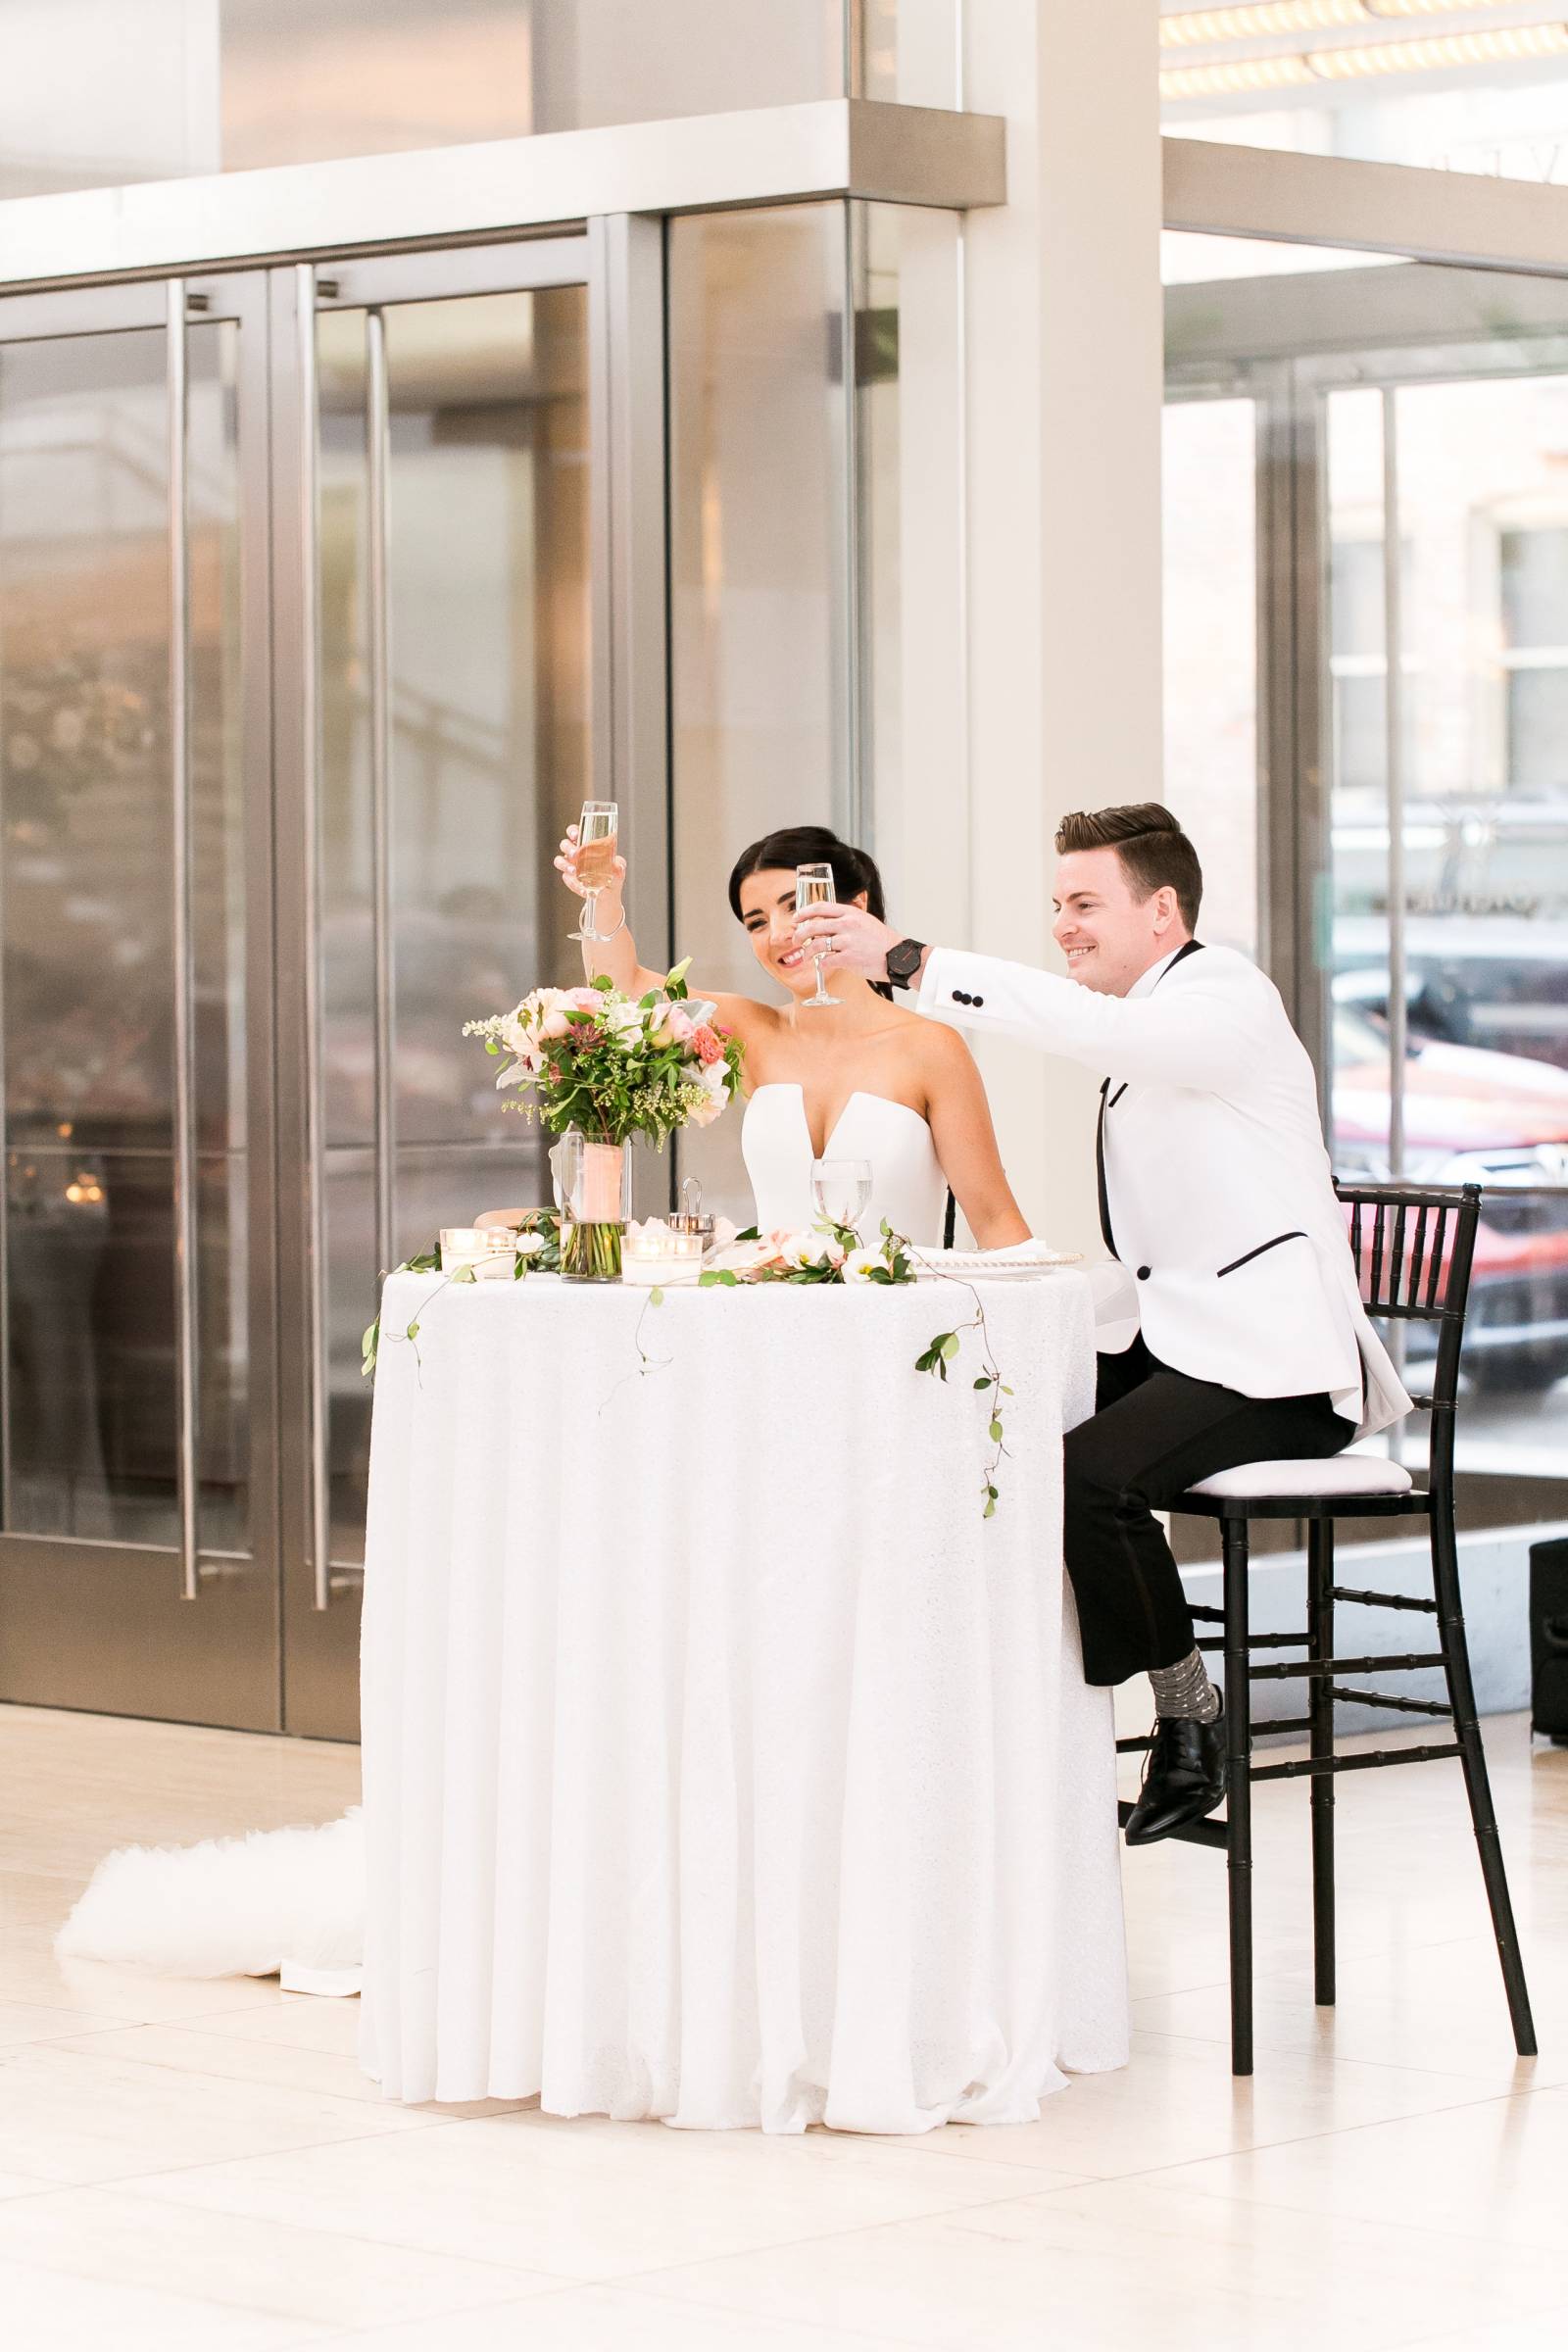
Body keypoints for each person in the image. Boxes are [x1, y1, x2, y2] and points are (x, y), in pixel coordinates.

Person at [797, 801, 1410, 1846]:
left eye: (1084, 903)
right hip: (1188, 1340)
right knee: (990, 1432)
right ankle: (983, 1723)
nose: (1064, 925)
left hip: (1279, 1372)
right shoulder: (1152, 1023)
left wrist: (907, 958)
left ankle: (1187, 1719)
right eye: (1056, 905)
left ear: (1161, 909)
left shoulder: (1222, 997)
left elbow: (1090, 1029)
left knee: (1086, 1476)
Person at [552, 821, 1032, 1250]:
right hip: (775, 1325)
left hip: (902, 1333)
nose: (780, 933)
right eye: (757, 922)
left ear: (857, 906)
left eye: (796, 906)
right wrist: (604, 894)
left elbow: (994, 1218)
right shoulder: (751, 1033)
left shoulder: (931, 1048)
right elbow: (623, 989)